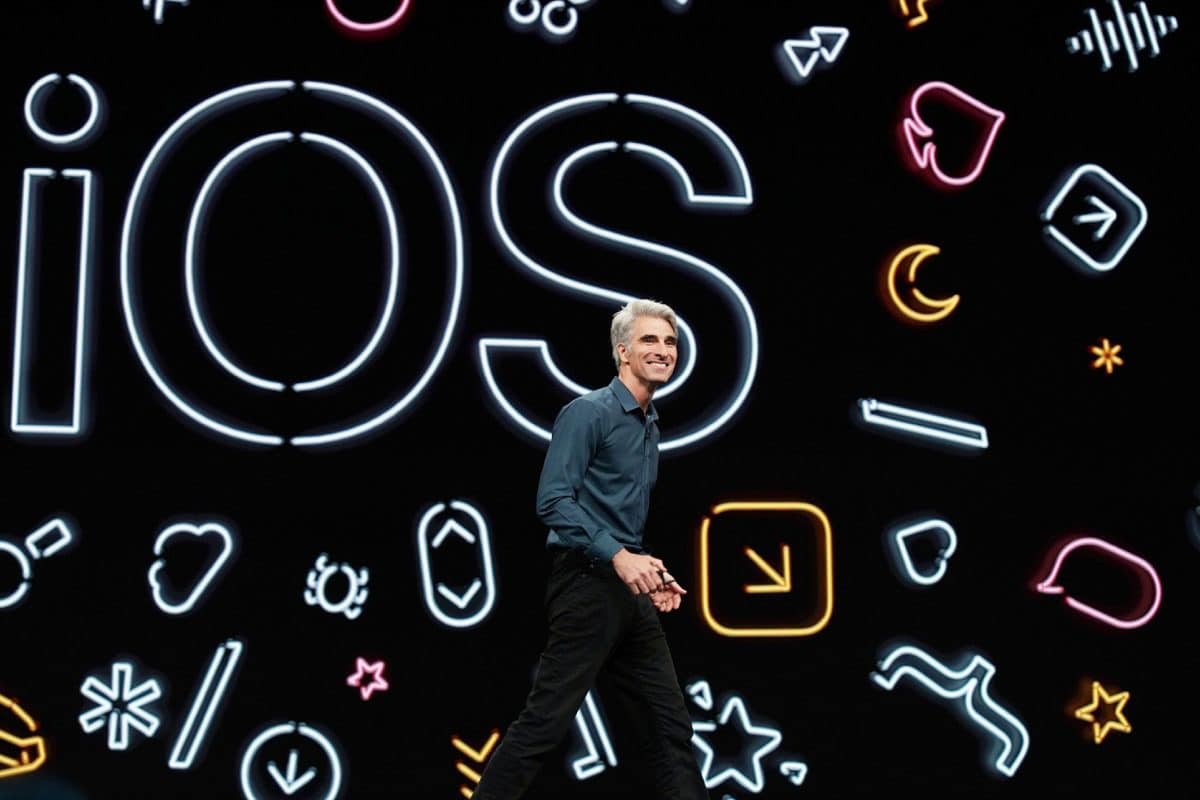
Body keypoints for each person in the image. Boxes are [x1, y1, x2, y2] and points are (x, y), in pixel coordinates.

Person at [473, 299, 709, 799]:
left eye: (670, 342)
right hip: (585, 583)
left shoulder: (649, 423)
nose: (663, 350)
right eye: (649, 340)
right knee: (545, 722)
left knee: (670, 729)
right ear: (623, 351)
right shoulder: (588, 412)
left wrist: (645, 569)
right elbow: (553, 500)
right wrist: (619, 556)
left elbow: (617, 519)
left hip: (627, 590)